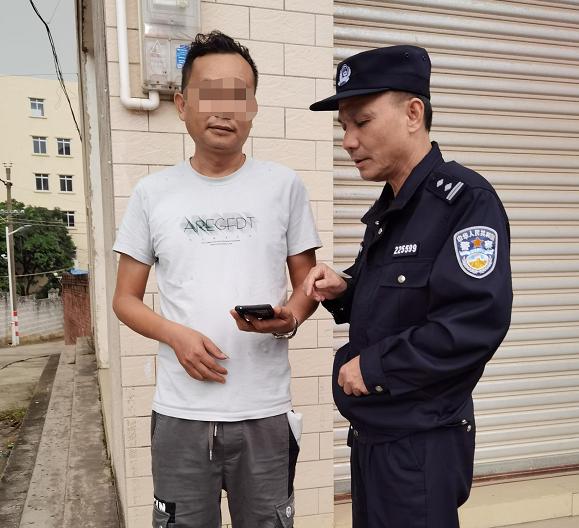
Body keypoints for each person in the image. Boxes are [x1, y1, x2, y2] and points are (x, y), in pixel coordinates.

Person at [112, 31, 321, 528]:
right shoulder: (152, 193)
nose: (223, 110)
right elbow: (125, 299)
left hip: (264, 412)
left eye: (238, 95)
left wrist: (288, 317)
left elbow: (306, 285)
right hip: (181, 414)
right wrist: (176, 336)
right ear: (183, 105)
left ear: (252, 108)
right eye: (210, 94)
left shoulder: (284, 187)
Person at [305, 45, 512, 527]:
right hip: (377, 434)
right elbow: (401, 302)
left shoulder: (464, 202)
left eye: (362, 122)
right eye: (343, 127)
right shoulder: (392, 210)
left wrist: (373, 366)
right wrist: (347, 289)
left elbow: (473, 323)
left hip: (421, 445)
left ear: (413, 113)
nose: (349, 141)